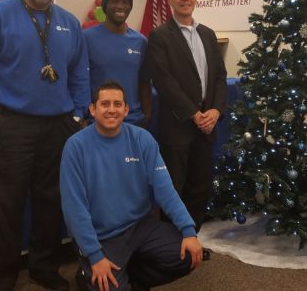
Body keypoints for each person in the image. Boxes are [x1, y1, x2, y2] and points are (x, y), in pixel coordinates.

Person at [0, 0, 89, 291]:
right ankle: (2, 276)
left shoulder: (68, 22)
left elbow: (79, 70)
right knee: (7, 203)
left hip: (59, 126)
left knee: (50, 201)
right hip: (12, 124)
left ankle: (43, 268)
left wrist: (78, 113)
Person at [60, 81, 203, 291]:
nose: (111, 110)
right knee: (106, 284)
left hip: (141, 226)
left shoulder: (142, 139)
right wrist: (94, 255)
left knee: (188, 255)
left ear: (126, 110)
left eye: (117, 104)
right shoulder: (75, 146)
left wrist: (189, 231)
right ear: (92, 109)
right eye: (105, 104)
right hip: (103, 237)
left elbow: (166, 191)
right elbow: (75, 208)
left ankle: (130, 274)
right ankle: (88, 273)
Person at [145, 0, 227, 245]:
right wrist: (194, 114)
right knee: (174, 188)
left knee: (199, 187)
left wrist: (215, 110)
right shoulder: (159, 36)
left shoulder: (208, 34)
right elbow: (164, 81)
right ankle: (171, 245)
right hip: (178, 125)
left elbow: (219, 77)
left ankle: (193, 239)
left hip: (207, 125)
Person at [83, 0, 151, 128]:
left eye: (125, 1)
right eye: (114, 1)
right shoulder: (86, 38)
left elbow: (144, 83)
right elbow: (79, 81)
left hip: (133, 121)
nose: (120, 6)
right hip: (97, 123)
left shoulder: (140, 41)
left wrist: (147, 115)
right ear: (105, 4)